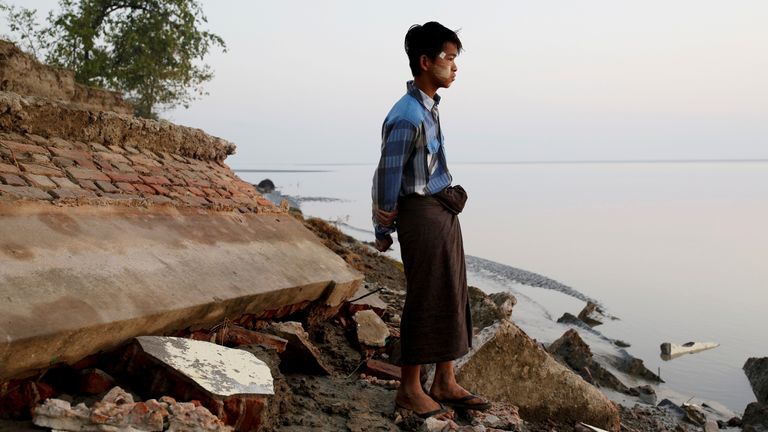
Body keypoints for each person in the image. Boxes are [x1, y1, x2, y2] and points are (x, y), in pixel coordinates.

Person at [371, 21, 491, 420]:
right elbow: (388, 174)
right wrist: (382, 228)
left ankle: (444, 379)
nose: (454, 67)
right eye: (448, 58)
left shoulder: (430, 107)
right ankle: (408, 388)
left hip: (441, 208)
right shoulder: (406, 115)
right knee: (425, 296)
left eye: (456, 59)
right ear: (425, 62)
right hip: (420, 215)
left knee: (452, 289)